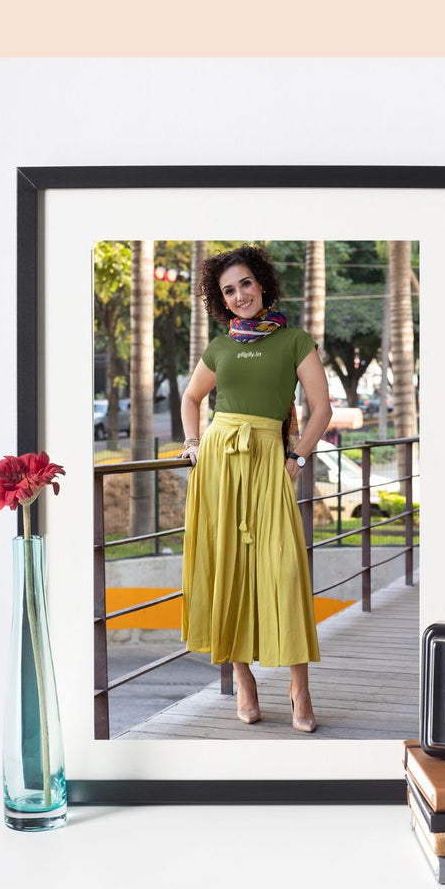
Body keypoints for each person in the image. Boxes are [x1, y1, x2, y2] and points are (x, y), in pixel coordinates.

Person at [179, 245, 330, 733]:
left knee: (283, 569)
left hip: (270, 461)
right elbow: (192, 398)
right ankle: (243, 679)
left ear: (261, 283)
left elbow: (320, 408)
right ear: (221, 301)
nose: (240, 295)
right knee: (228, 568)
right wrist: (193, 441)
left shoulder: (294, 341)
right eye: (229, 290)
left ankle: (298, 686)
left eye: (245, 283)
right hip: (219, 463)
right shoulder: (219, 347)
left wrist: (298, 455)